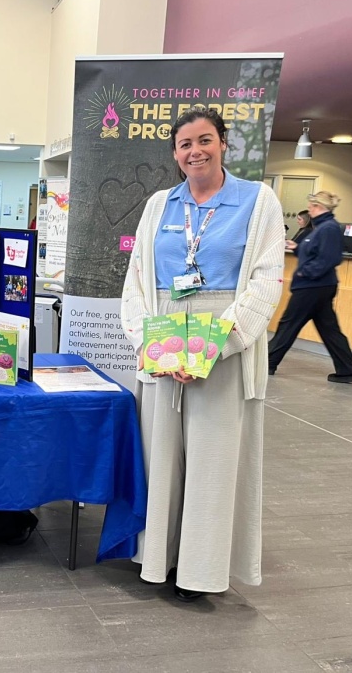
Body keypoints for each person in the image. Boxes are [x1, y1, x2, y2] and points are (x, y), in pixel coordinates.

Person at [121, 107, 285, 603]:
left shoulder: (258, 202)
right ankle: (159, 559)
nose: (196, 150)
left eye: (205, 140)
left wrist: (212, 348)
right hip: (164, 349)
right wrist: (153, 346)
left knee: (213, 464)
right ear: (175, 153)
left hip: (224, 351)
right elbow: (136, 283)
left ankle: (199, 571)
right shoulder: (158, 205)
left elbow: (265, 281)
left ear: (223, 144)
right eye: (186, 143)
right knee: (160, 459)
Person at [268, 191, 352, 382]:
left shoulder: (328, 228)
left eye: (311, 206)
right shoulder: (320, 228)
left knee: (289, 324)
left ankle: (268, 362)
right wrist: (298, 247)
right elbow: (315, 252)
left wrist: (306, 272)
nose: (308, 210)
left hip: (312, 286)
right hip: (318, 286)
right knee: (329, 329)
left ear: (319, 207)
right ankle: (348, 370)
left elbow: (331, 258)